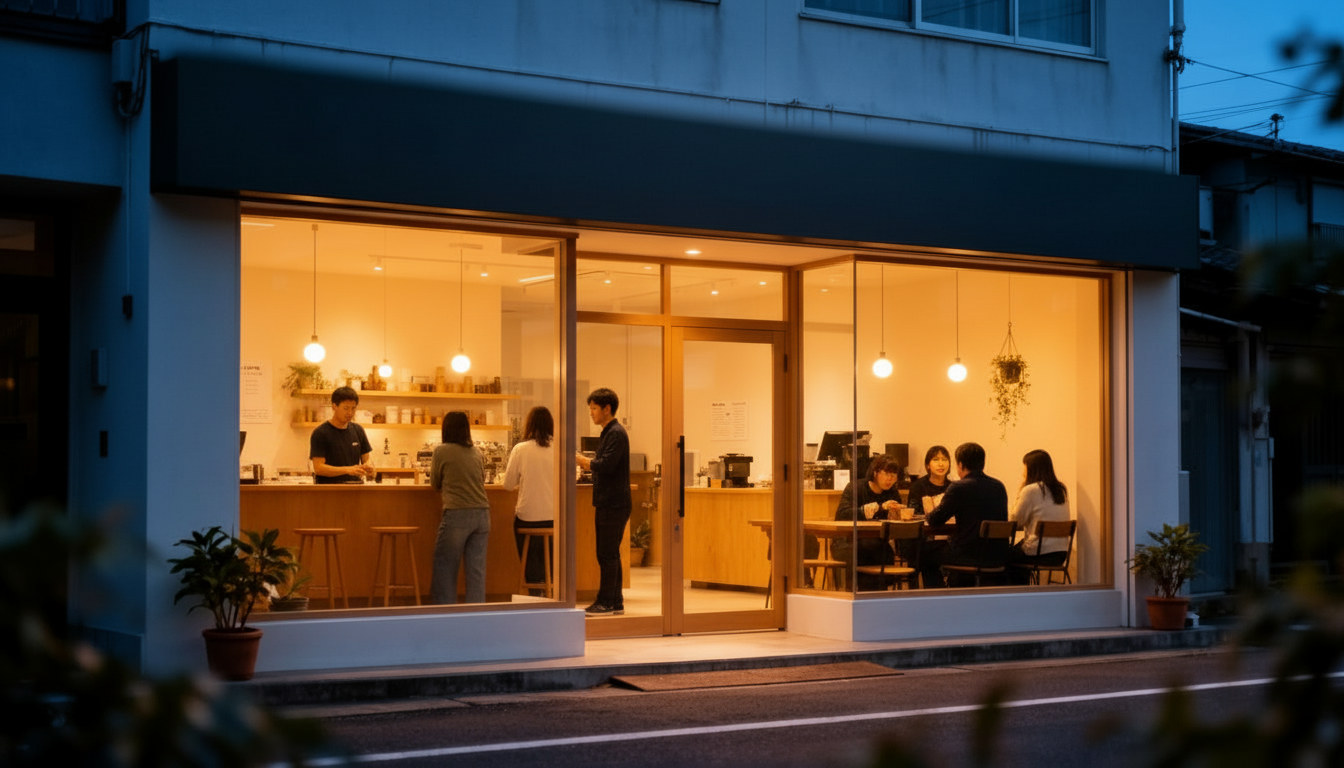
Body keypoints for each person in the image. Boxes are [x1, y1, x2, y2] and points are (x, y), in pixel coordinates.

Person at [921, 442, 1010, 588]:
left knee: (925, 553)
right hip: (998, 555)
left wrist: (929, 511)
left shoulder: (959, 487)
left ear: (960, 464)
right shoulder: (998, 486)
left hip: (970, 555)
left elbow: (935, 520)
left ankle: (938, 598)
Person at [574, 388, 631, 615]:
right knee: (609, 553)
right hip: (610, 501)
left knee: (606, 554)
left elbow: (606, 465)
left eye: (594, 408)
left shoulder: (615, 433)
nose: (591, 413)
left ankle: (606, 601)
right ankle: (615, 601)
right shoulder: (608, 432)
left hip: (613, 502)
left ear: (607, 409)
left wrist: (582, 461)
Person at [429, 411, 490, 604]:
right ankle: (476, 615)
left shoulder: (441, 451)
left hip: (457, 513)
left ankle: (445, 615)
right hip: (482, 514)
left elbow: (434, 483)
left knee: (445, 566)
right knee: (476, 571)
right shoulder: (477, 452)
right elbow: (482, 479)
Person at [832, 453, 904, 591]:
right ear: (876, 472)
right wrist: (865, 510)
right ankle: (862, 596)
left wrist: (897, 513)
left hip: (876, 543)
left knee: (883, 550)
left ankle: (875, 597)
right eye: (887, 474)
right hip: (846, 542)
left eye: (894, 476)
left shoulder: (892, 492)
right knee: (869, 550)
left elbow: (896, 519)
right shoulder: (855, 487)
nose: (891, 479)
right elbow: (842, 515)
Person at [503, 406, 555, 594]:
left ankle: (534, 590)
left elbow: (508, 485)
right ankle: (550, 586)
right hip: (554, 518)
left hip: (528, 518)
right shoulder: (560, 449)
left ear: (529, 425)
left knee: (529, 549)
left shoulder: (520, 449)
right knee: (550, 554)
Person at [1007, 449, 1072, 584]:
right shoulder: (1061, 489)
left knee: (1002, 558)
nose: (1023, 472)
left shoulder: (1030, 490)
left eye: (1024, 467)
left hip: (1038, 553)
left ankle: (1017, 596)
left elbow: (1015, 521)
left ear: (1031, 469)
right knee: (1015, 554)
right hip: (1060, 554)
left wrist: (1020, 491)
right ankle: (1027, 594)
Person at [309, 386, 374, 484]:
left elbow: (367, 459)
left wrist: (369, 467)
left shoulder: (358, 430)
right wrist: (347, 470)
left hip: (356, 488)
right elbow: (319, 468)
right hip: (329, 490)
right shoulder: (321, 433)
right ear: (334, 406)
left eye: (353, 408)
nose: (350, 413)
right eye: (346, 408)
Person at [907, 445, 953, 515]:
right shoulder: (917, 487)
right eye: (936, 460)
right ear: (928, 465)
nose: (941, 464)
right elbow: (913, 514)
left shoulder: (953, 487)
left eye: (944, 459)